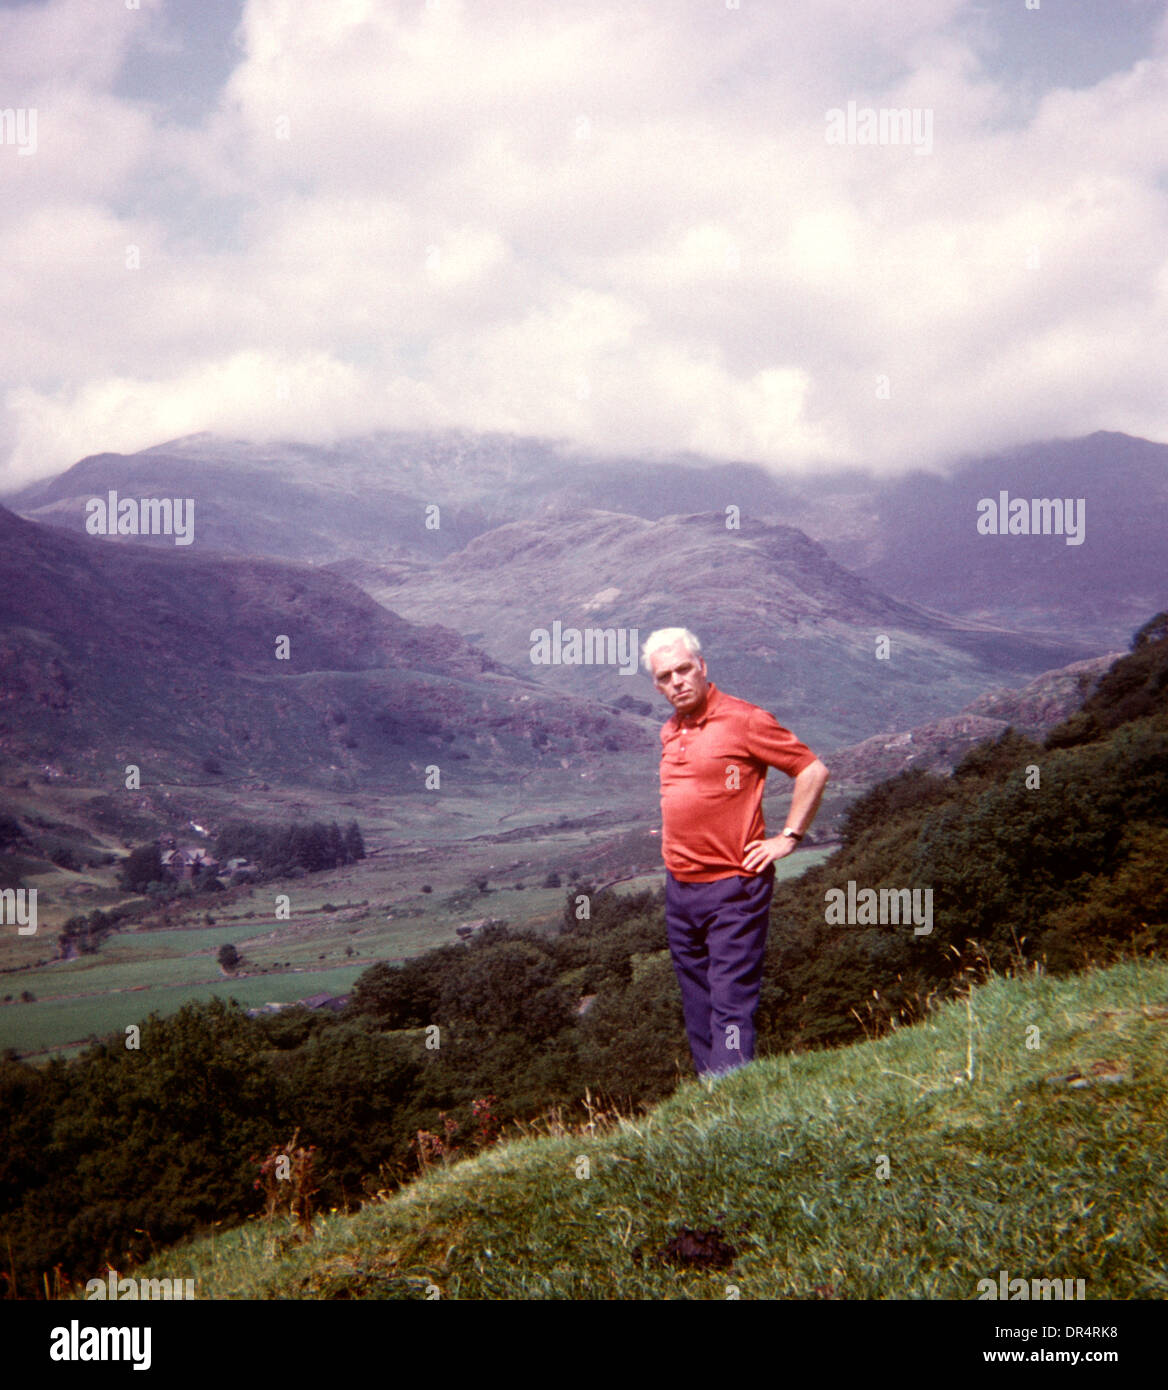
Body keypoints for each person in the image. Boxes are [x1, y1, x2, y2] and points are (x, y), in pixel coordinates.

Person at [643, 627, 829, 1079]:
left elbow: (811, 769)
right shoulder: (671, 730)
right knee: (696, 1003)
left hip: (734, 886)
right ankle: (712, 1096)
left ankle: (732, 1101)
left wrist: (788, 837)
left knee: (729, 1001)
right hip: (680, 888)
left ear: (703, 667)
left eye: (684, 669)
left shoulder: (744, 720)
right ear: (657, 685)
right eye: (666, 676)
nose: (678, 682)